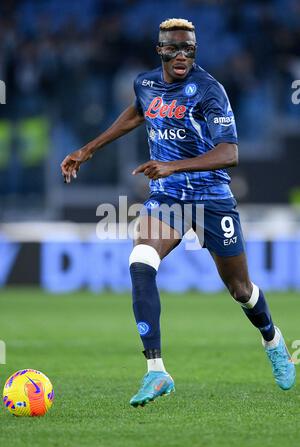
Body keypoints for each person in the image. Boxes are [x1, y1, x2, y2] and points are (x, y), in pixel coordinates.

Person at [61, 18, 296, 407]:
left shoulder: (208, 90)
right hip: (167, 196)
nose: (182, 55)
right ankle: (156, 371)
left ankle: (272, 339)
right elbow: (138, 113)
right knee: (140, 260)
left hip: (211, 197)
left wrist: (174, 165)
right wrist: (88, 149)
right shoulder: (147, 83)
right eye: (174, 48)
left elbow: (230, 153)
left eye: (189, 48)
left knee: (241, 289)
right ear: (161, 50)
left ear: (195, 50)